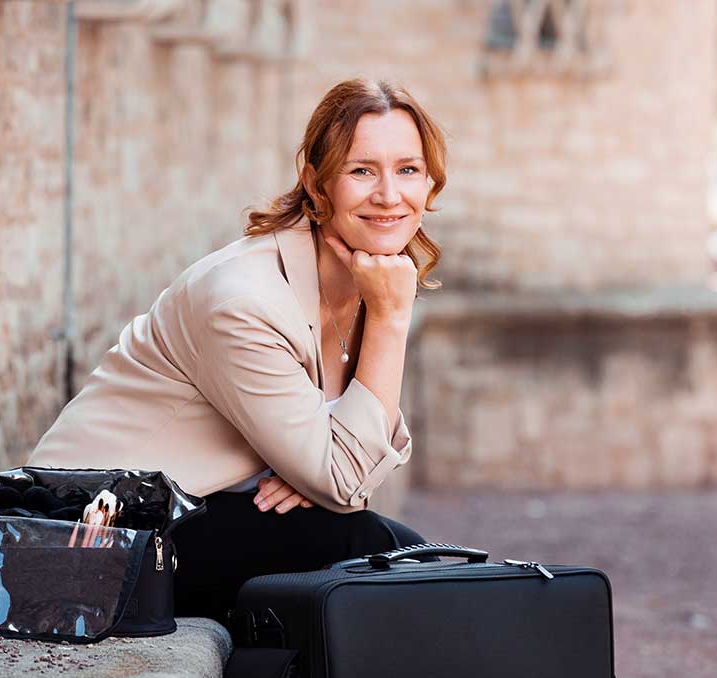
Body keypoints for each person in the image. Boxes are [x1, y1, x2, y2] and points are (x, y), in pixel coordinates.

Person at [27, 78, 449, 623]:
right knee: (376, 555)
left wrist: (317, 475)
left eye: (408, 169)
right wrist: (391, 321)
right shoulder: (245, 300)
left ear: (430, 182)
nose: (389, 195)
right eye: (362, 171)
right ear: (316, 183)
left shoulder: (363, 277)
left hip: (192, 512)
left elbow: (355, 466)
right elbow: (348, 480)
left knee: (409, 558)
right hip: (83, 536)